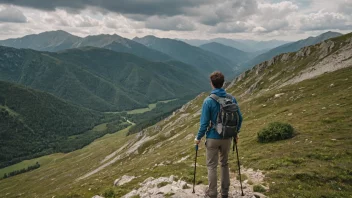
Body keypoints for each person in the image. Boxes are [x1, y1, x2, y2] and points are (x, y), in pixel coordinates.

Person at [195, 71, 243, 198]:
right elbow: (240, 118)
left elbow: (204, 124)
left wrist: (198, 138)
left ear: (212, 84)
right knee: (224, 164)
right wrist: (236, 133)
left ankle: (212, 193)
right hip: (227, 137)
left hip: (212, 138)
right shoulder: (231, 98)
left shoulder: (208, 101)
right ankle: (225, 193)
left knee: (212, 166)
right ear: (223, 83)